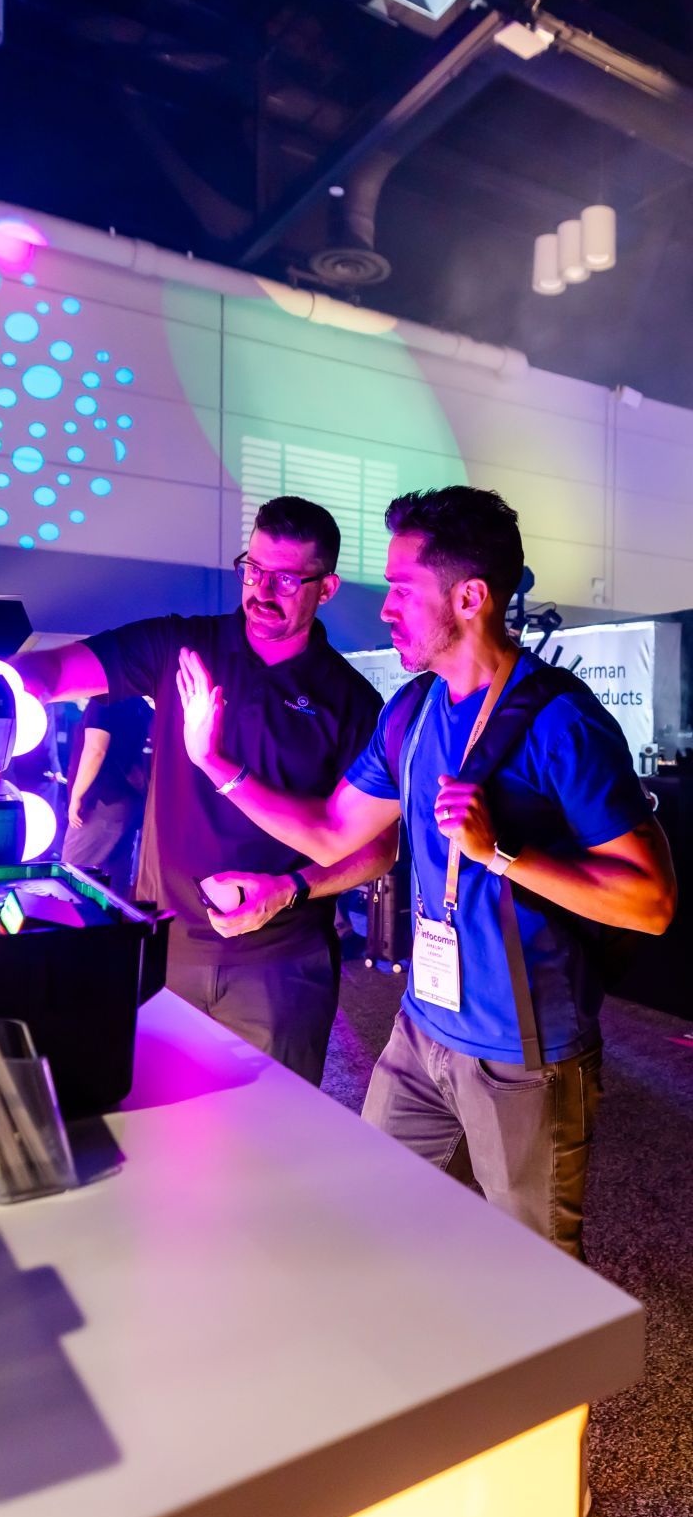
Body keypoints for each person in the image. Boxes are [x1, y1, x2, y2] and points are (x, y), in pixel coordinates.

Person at [176, 485, 676, 1259]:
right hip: (419, 1032)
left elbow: (651, 902)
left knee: (542, 1284)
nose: (383, 609)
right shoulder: (411, 711)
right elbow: (334, 829)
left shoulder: (564, 723)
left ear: (470, 596)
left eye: (402, 589)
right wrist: (215, 763)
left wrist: (502, 852)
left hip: (525, 1055)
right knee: (373, 1224)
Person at [10, 496, 396, 1084]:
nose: (262, 592)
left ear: (327, 587)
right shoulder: (180, 647)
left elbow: (376, 851)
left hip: (280, 968)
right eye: (253, 570)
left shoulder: (351, 703)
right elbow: (55, 674)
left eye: (287, 579)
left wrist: (289, 889)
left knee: (272, 1147)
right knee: (157, 1135)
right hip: (164, 948)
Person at [61, 695, 152, 896]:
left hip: (101, 802)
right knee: (116, 886)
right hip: (128, 804)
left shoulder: (104, 701)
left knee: (71, 878)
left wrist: (76, 795)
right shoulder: (139, 705)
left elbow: (96, 750)